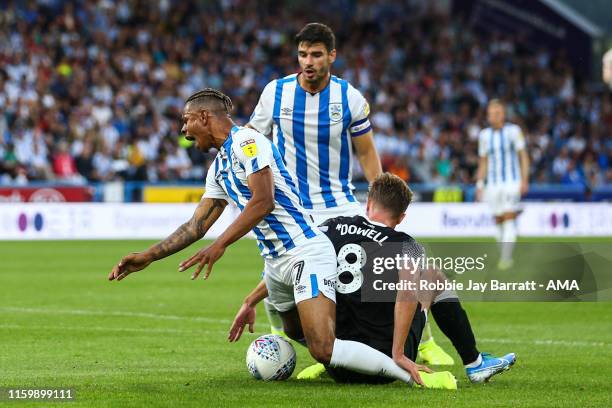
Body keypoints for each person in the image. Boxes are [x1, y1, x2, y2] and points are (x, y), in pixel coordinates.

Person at [108, 88, 441, 388]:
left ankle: (403, 371)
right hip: (275, 263)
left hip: (304, 251)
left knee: (322, 349)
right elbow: (196, 226)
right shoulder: (219, 168)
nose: (183, 130)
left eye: (186, 120)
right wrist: (148, 256)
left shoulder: (247, 143)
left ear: (203, 117)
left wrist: (220, 244)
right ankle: (360, 351)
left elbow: (263, 201)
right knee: (296, 332)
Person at [248, 22, 453, 366]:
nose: (308, 61)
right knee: (279, 285)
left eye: (315, 54)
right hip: (291, 210)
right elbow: (252, 141)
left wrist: (383, 199)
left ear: (332, 56)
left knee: (382, 273)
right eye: (302, 54)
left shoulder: (349, 98)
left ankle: (426, 340)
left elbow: (366, 152)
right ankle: (299, 350)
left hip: (338, 205)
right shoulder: (274, 93)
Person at [230, 173, 516, 384]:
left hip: (338, 362)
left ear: (368, 203)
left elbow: (289, 265)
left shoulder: (330, 227)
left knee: (307, 274)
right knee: (433, 278)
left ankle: (319, 355)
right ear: (401, 217)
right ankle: (474, 362)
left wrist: (251, 300)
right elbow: (407, 294)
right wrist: (399, 355)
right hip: (384, 365)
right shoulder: (405, 243)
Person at [475, 99, 529, 269]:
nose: (494, 116)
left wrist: (524, 179)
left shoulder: (514, 131)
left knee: (508, 216)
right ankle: (505, 255)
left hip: (511, 182)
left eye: (497, 113)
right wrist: (479, 184)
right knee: (498, 219)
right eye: (491, 113)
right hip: (492, 184)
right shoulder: (484, 135)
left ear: (503, 114)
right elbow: (483, 161)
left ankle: (506, 259)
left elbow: (523, 156)